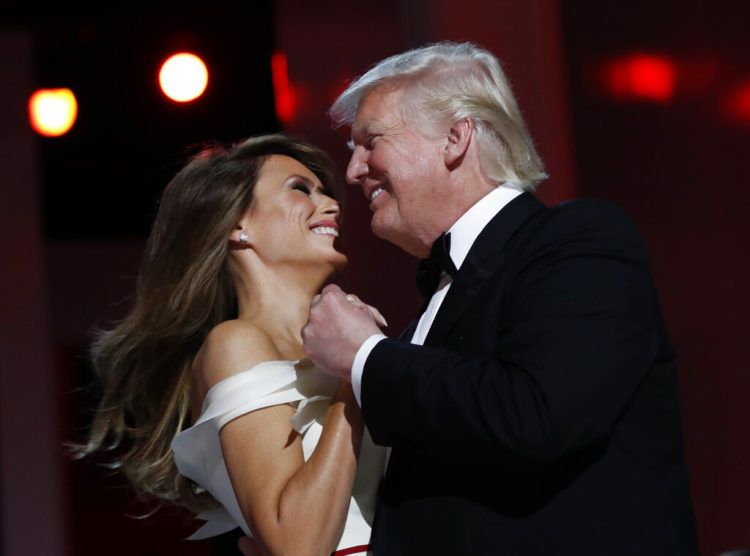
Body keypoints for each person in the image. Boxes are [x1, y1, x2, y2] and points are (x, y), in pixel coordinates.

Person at [301, 41, 700, 554]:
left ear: (454, 137)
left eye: (370, 141)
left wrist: (364, 354)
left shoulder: (579, 240)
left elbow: (537, 414)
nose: (353, 171)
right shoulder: (430, 307)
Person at [76, 134, 387, 555]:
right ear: (238, 226)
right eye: (300, 189)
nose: (332, 205)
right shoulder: (235, 344)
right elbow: (298, 545)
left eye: (325, 192)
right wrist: (355, 375)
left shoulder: (348, 339)